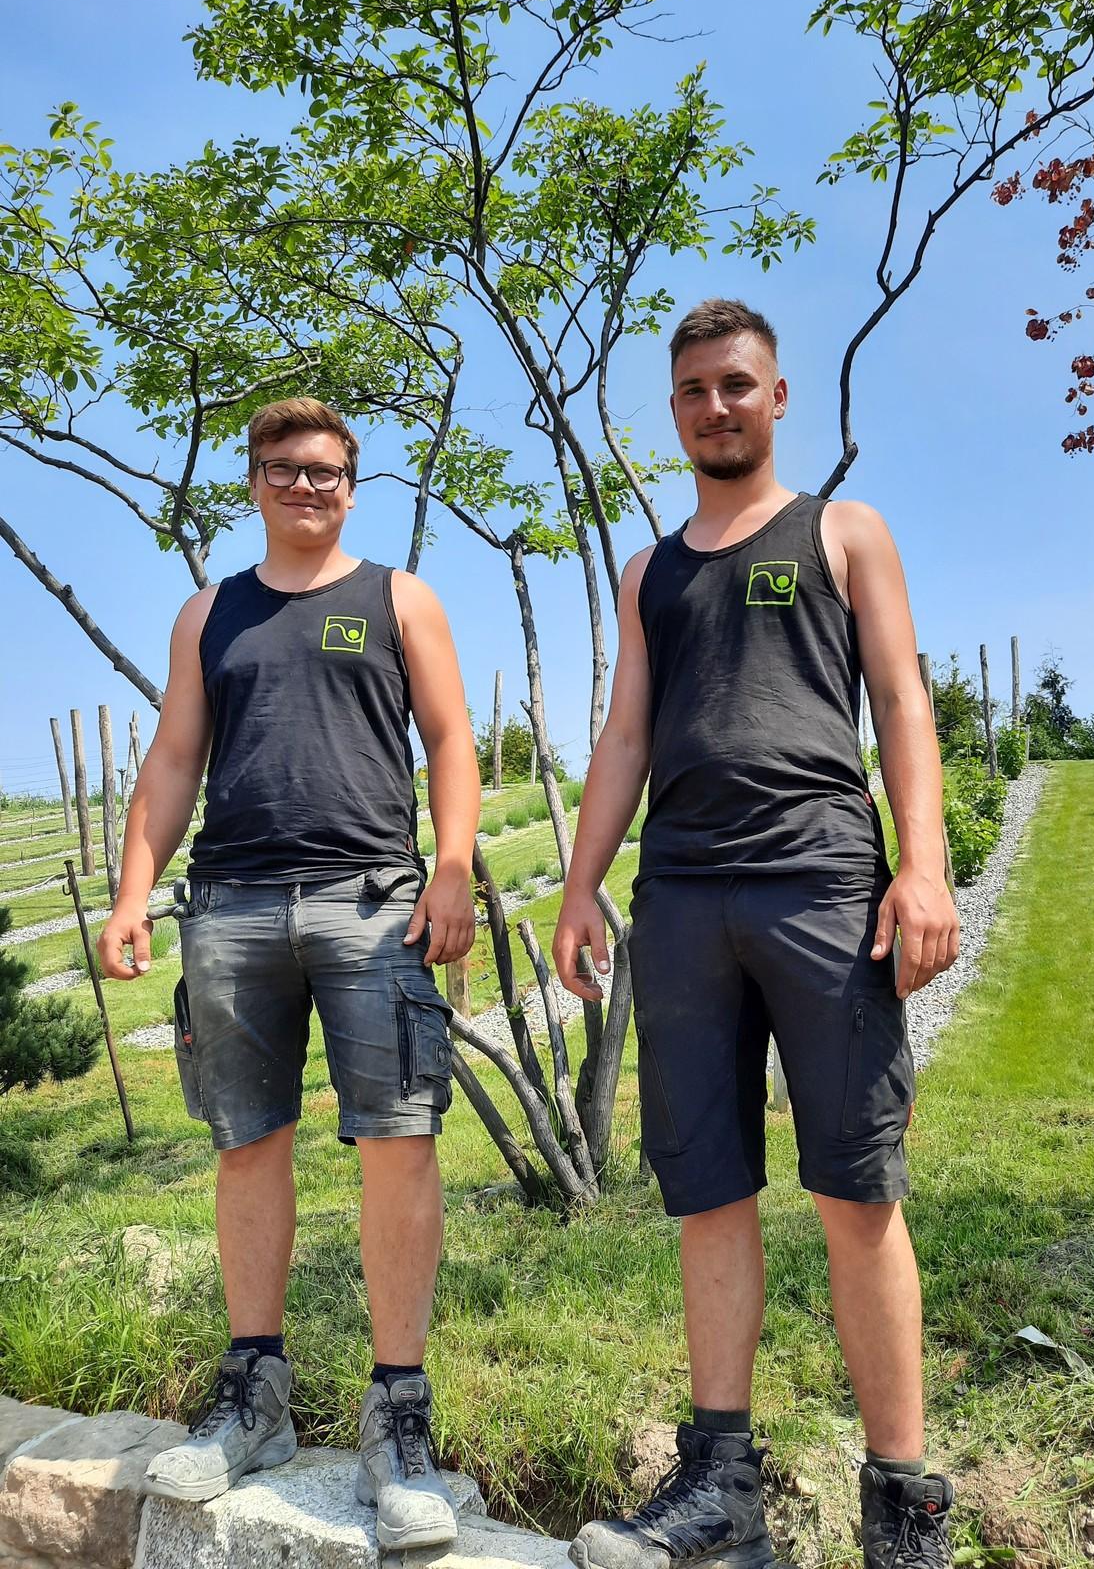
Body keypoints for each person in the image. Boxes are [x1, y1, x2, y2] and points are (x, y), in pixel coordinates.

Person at [553, 301, 960, 1569]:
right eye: (692, 392)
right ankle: (723, 1489)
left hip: (823, 888)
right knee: (709, 1196)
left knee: (858, 1190)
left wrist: (925, 865)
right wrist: (580, 887)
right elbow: (625, 739)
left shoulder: (843, 532)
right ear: (672, 412)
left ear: (777, 398)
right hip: (682, 901)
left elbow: (899, 698)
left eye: (737, 385)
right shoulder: (649, 572)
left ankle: (903, 1509)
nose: (715, 407)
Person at [98, 397, 479, 1552]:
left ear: (352, 486)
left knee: (399, 1143)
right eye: (285, 469)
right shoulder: (209, 613)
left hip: (374, 906)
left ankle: (397, 1421)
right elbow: (174, 757)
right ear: (254, 482)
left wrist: (453, 863)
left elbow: (453, 741)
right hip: (233, 908)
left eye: (326, 471)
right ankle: (253, 1397)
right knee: (245, 1141)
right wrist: (130, 888)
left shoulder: (401, 598)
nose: (306, 487)